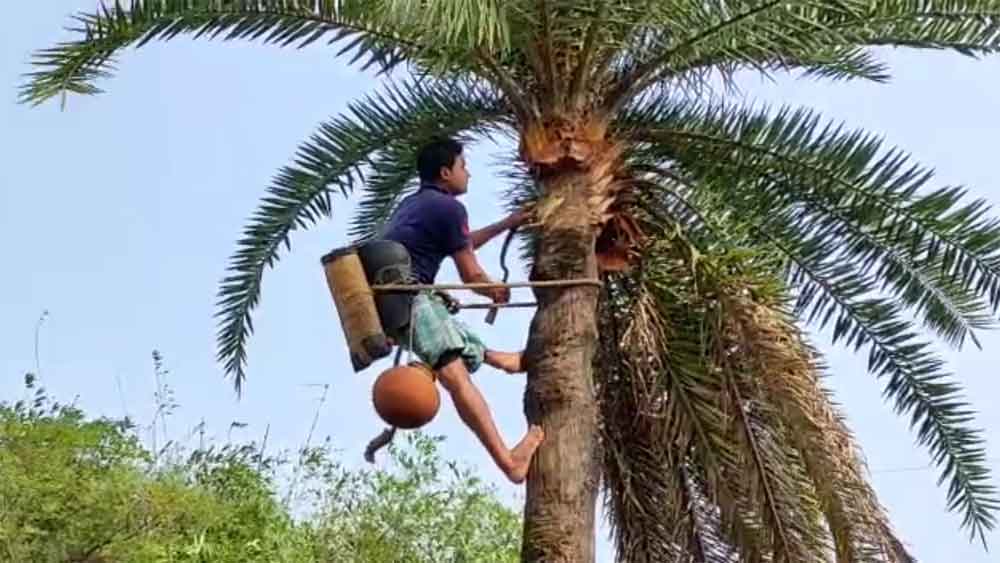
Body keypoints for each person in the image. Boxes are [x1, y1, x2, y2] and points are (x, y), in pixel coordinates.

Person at [380, 138, 544, 484]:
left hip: (394, 301)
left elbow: (461, 244)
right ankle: (509, 462)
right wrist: (492, 291)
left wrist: (508, 223)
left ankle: (504, 360)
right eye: (463, 165)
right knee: (455, 376)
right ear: (445, 173)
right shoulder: (449, 209)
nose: (467, 172)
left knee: (448, 328)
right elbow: (470, 275)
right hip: (411, 299)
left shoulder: (414, 205)